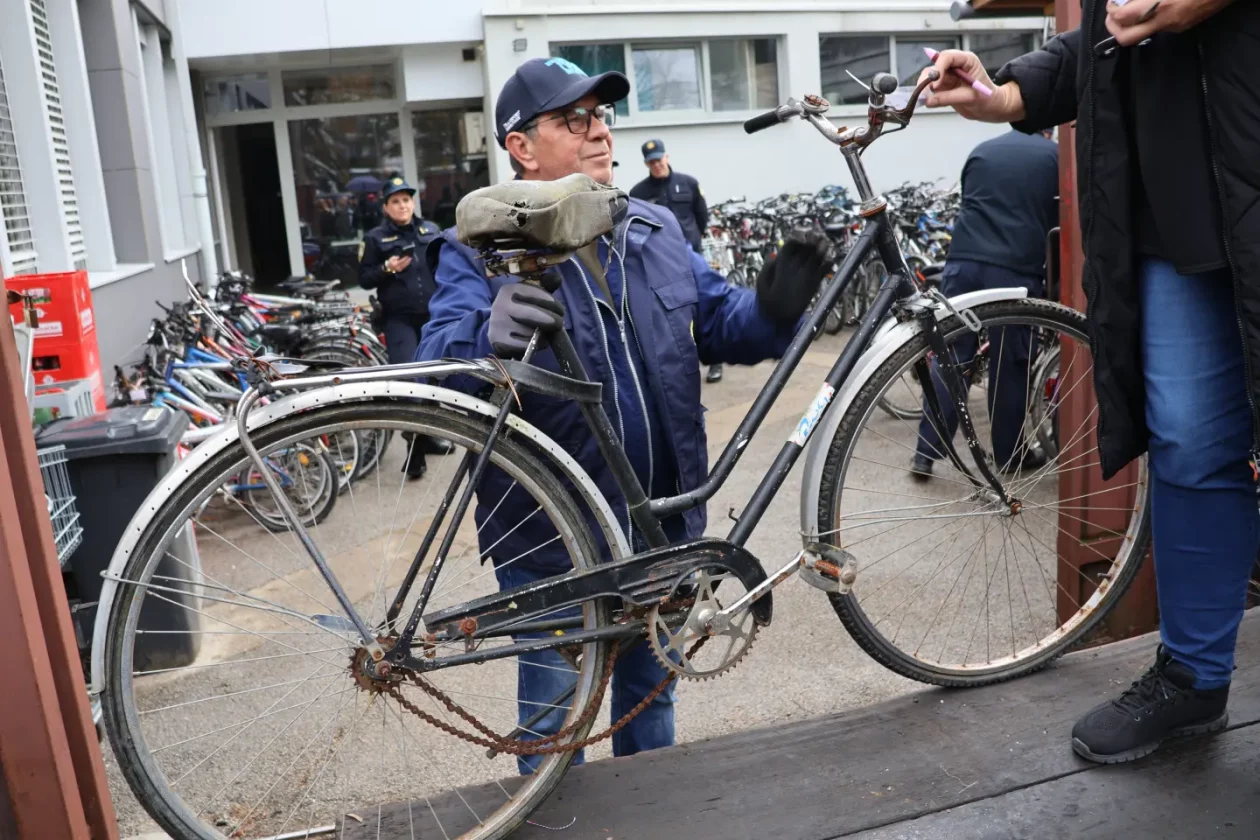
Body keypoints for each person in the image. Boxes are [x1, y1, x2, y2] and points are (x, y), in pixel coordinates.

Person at [419, 56, 831, 770]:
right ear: (521, 146)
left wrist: (771, 309)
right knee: (554, 733)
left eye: (602, 115)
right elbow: (437, 367)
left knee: (651, 706)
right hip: (551, 546)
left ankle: (652, 812)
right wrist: (487, 335)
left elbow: (721, 323)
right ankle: (553, 817)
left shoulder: (653, 227)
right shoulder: (479, 248)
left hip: (661, 530)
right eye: (572, 119)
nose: (599, 132)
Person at [921, 0, 1258, 765]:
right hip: (1175, 224)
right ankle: (1194, 677)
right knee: (1188, 446)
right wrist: (1008, 91)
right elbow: (1115, 28)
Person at [910, 128, 1057, 479]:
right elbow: (1059, 223)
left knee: (951, 357)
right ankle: (1009, 455)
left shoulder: (982, 151)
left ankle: (925, 453)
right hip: (1014, 269)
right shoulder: (1054, 157)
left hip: (963, 264)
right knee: (1010, 363)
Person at [358, 176, 452, 479]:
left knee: (435, 380)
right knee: (411, 383)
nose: (402, 205)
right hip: (399, 320)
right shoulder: (375, 238)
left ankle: (428, 437)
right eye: (395, 201)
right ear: (386, 207)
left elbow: (445, 267)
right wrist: (387, 268)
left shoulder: (431, 230)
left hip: (432, 316)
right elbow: (364, 278)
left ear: (413, 202)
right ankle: (416, 448)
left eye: (406, 200)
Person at [629, 140, 725, 384]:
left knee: (704, 306)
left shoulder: (689, 183)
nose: (657, 164)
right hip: (661, 264)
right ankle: (680, 367)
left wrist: (692, 241)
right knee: (672, 314)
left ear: (667, 157)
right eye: (652, 161)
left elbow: (701, 216)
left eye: (659, 159)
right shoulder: (638, 193)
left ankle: (715, 361)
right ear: (646, 164)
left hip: (692, 257)